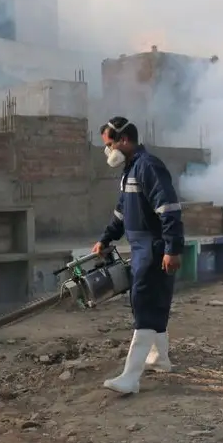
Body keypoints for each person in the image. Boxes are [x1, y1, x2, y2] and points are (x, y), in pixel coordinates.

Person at [92, 117, 184, 394]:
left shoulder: (148, 166)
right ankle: (161, 358)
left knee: (143, 304)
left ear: (124, 140)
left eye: (109, 144)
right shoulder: (130, 170)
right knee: (154, 303)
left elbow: (169, 209)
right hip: (141, 245)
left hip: (153, 247)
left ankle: (131, 378)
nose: (108, 151)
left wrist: (172, 248)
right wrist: (106, 238)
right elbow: (122, 212)